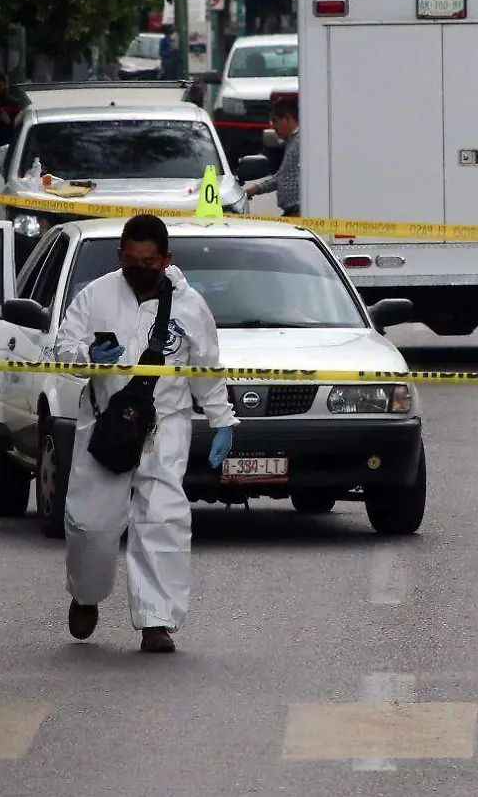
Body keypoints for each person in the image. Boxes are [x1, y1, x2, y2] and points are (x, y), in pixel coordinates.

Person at [56, 215, 237, 654]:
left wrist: (222, 420)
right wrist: (89, 355)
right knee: (91, 524)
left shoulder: (190, 307)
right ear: (120, 255)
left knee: (162, 520)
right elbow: (62, 351)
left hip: (165, 426)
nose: (139, 267)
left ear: (166, 260)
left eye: (149, 261)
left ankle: (156, 620)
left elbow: (206, 370)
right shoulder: (95, 295)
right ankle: (86, 594)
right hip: (105, 425)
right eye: (130, 259)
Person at [243, 97, 300, 216]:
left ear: (287, 118)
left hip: (298, 212)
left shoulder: (301, 143)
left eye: (275, 121)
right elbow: (283, 176)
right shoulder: (293, 143)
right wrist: (256, 189)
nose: (273, 127)